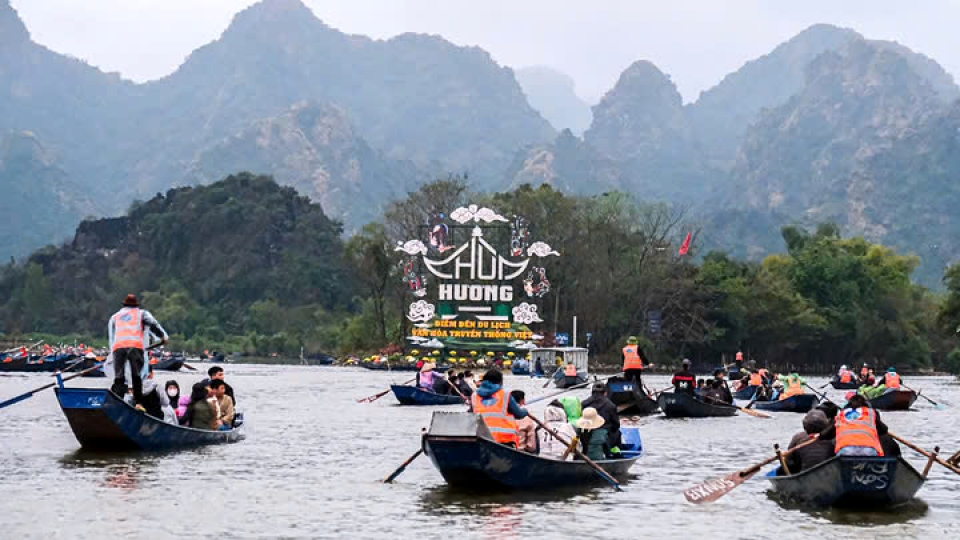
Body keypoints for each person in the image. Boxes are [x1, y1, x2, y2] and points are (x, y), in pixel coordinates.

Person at [108, 294, 168, 404]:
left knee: (119, 376)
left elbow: (112, 334)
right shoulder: (141, 314)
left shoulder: (115, 316)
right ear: (136, 305)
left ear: (124, 304)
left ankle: (118, 400)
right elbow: (153, 324)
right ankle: (138, 401)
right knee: (136, 375)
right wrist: (162, 336)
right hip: (135, 346)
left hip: (119, 347)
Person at [470, 369, 528, 447]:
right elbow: (519, 414)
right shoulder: (505, 394)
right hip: (504, 440)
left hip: (482, 438)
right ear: (500, 382)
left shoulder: (474, 395)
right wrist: (525, 411)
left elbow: (471, 414)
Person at [820, 395, 887, 456]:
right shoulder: (871, 412)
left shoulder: (841, 414)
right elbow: (883, 430)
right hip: (869, 450)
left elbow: (824, 435)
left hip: (846, 450)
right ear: (866, 405)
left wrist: (820, 435)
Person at [783, 410, 834, 474]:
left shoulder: (798, 437)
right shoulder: (833, 437)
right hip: (829, 472)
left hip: (804, 473)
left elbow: (788, 462)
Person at [581, 382, 622, 449]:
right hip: (605, 436)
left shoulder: (584, 403)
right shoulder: (611, 405)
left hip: (586, 436)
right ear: (605, 393)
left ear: (592, 392)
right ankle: (616, 452)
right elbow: (616, 425)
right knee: (617, 432)